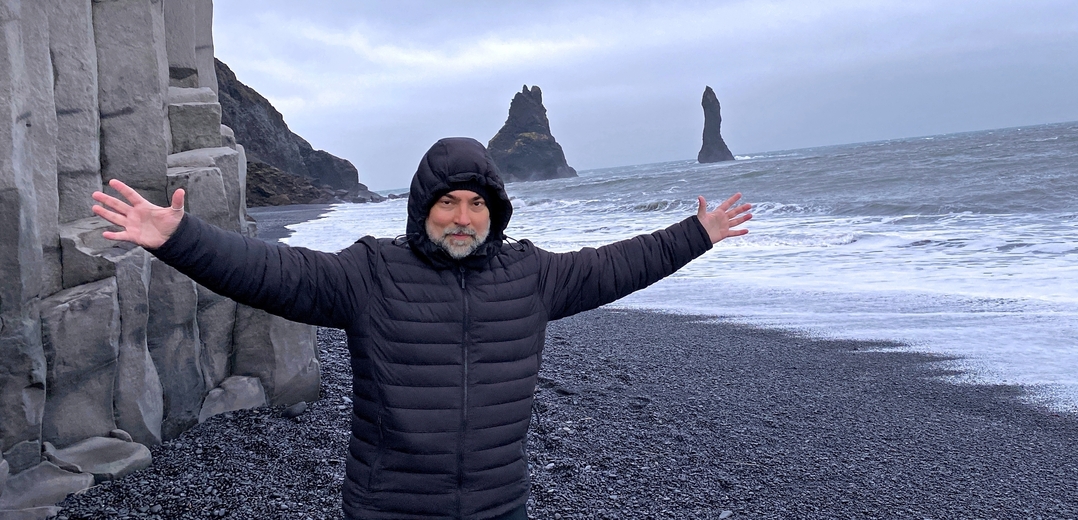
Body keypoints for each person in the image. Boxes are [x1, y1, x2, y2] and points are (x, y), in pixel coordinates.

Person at [92, 137, 752, 520]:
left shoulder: (533, 277)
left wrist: (697, 233)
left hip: (498, 506)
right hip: (389, 508)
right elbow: (272, 272)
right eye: (447, 201)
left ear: (495, 213)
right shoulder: (370, 273)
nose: (462, 216)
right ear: (423, 208)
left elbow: (618, 265)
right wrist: (181, 240)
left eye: (476, 203)